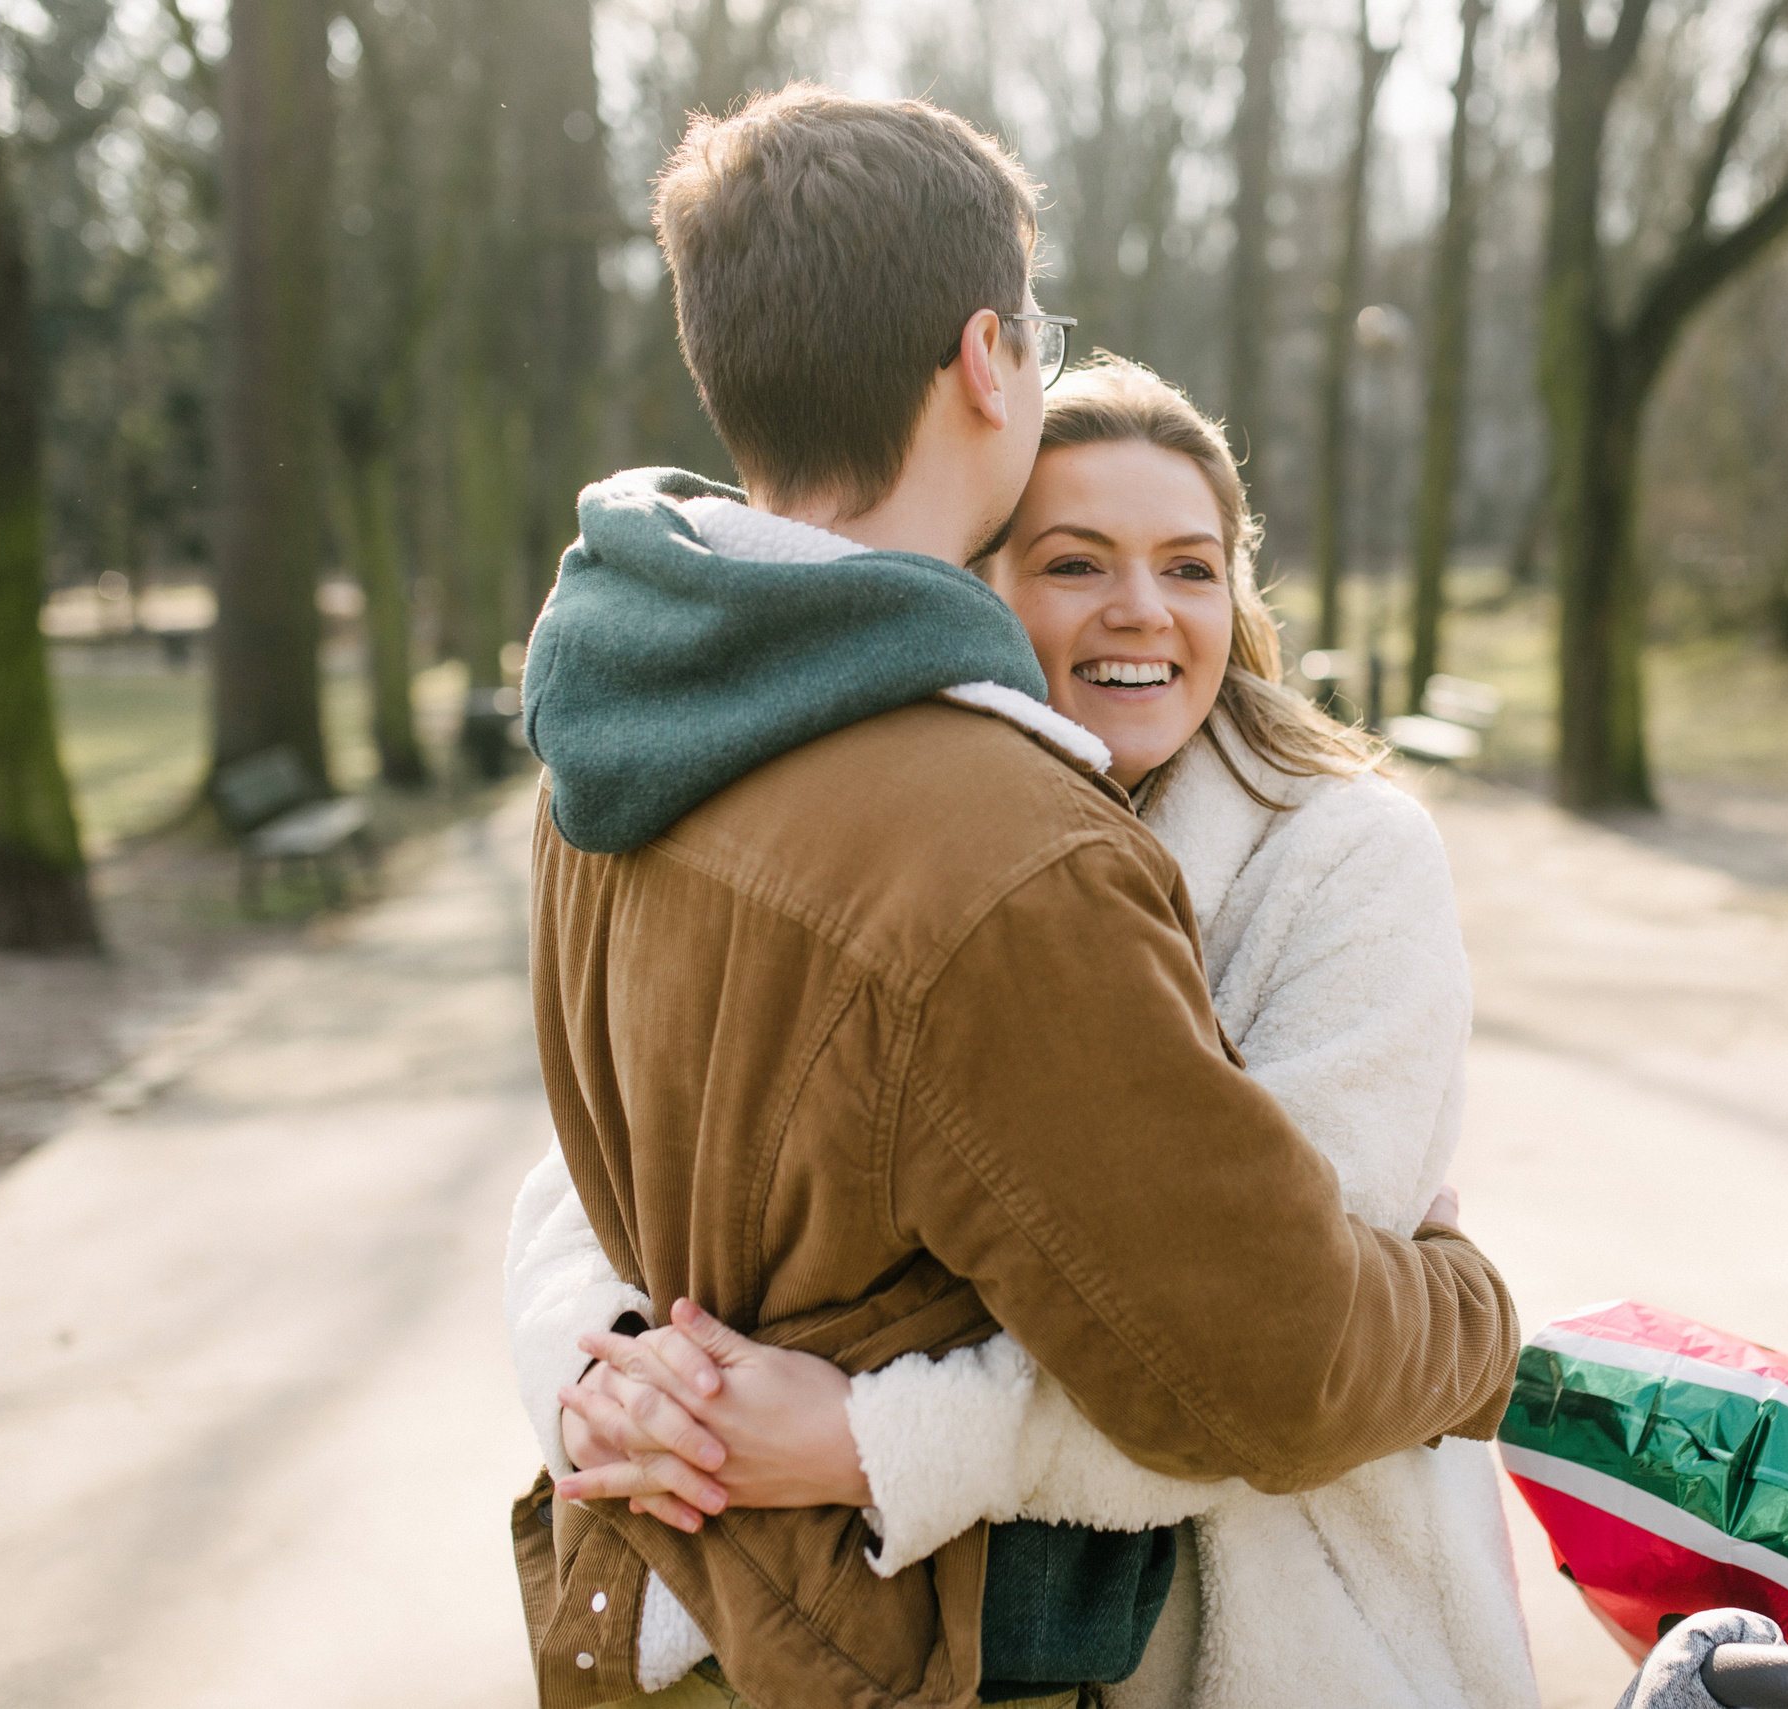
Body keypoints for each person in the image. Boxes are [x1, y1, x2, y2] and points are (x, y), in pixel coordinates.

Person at [508, 85, 1522, 1709]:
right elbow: (1265, 1366)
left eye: (1193, 564)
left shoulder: (606, 750)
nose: (1141, 605)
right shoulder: (1002, 847)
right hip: (877, 1643)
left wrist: (626, 1386)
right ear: (989, 357)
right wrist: (1469, 1314)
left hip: (666, 1604)